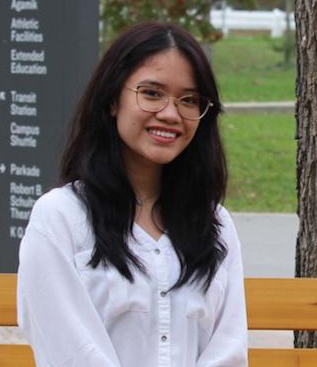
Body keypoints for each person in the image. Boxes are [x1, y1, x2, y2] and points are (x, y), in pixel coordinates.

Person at [17, 22, 247, 366]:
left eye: (189, 100)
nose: (170, 114)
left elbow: (228, 349)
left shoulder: (215, 224)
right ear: (113, 99)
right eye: (152, 93)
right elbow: (70, 351)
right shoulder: (61, 218)